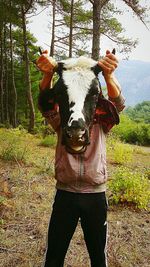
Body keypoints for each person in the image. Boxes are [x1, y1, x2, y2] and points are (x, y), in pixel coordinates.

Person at [36, 50, 125, 267]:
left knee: (98, 258)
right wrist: (47, 75)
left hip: (95, 195)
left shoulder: (102, 119)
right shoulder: (61, 120)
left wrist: (108, 75)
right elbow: (45, 104)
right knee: (54, 257)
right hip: (65, 193)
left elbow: (118, 103)